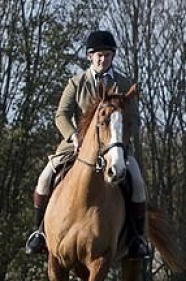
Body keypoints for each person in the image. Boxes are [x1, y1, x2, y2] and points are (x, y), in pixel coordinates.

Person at [25, 29, 150, 259]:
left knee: (138, 183)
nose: (103, 59)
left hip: (114, 148)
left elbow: (134, 119)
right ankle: (39, 233)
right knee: (44, 178)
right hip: (76, 147)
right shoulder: (76, 83)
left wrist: (119, 141)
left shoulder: (124, 83)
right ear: (90, 57)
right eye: (98, 55)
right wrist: (73, 137)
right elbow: (61, 114)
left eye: (107, 55)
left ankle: (136, 239)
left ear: (113, 56)